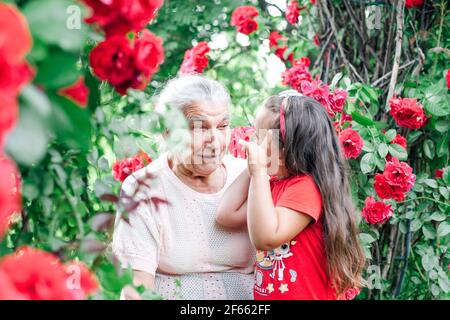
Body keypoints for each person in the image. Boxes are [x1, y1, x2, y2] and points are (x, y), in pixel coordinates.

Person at [112, 75, 255, 300]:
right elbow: (136, 291)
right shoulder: (144, 188)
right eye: (200, 128)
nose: (215, 141)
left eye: (223, 126)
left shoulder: (249, 177)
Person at [216, 90, 366, 299]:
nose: (254, 143)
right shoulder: (272, 186)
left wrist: (259, 171)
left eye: (260, 138)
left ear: (290, 147)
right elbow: (225, 214)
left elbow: (265, 238)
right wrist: (252, 169)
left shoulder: (307, 189)